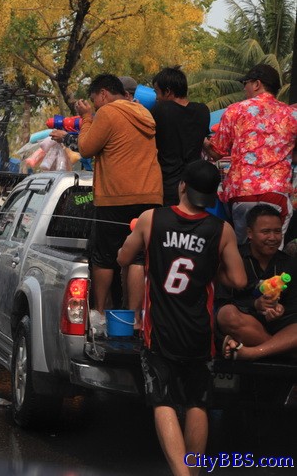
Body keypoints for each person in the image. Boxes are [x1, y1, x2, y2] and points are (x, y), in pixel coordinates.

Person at [118, 160, 246, 476]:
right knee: (197, 402)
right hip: (199, 332)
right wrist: (211, 268)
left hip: (159, 329)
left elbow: (123, 256)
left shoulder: (152, 219)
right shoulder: (222, 231)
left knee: (162, 399)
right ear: (212, 196)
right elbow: (239, 280)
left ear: (182, 186)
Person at [76, 73, 163, 325]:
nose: (94, 105)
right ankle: (134, 317)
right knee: (137, 257)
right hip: (149, 196)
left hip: (116, 196)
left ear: (104, 94)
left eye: (94, 100)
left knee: (104, 257)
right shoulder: (144, 113)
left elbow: (86, 148)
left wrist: (86, 118)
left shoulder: (108, 112)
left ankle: (100, 313)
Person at [204, 64, 297, 245]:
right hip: (276, 194)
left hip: (241, 194)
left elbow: (216, 153)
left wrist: (203, 142)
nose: (244, 88)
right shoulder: (292, 114)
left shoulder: (235, 110)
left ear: (257, 84)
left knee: (244, 249)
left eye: (245, 83)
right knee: (272, 250)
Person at [216, 205, 297, 361]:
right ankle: (285, 353)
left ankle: (252, 353)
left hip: (281, 327)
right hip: (248, 325)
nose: (273, 238)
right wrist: (255, 304)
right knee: (226, 315)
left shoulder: (289, 263)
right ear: (250, 233)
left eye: (277, 231)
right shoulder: (235, 258)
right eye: (266, 232)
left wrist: (280, 309)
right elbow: (223, 302)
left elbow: (293, 307)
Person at [145, 67, 212, 207]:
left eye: (157, 92)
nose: (156, 98)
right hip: (195, 184)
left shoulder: (161, 110)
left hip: (168, 183)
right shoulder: (202, 110)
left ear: (168, 91)